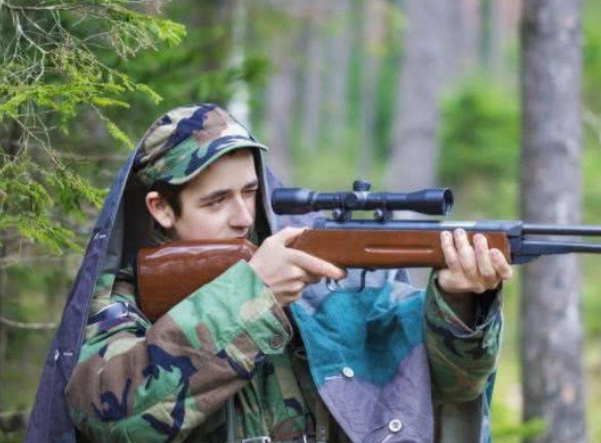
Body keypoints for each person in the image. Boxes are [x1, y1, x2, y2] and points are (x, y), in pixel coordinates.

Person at [26, 104, 512, 443]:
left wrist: (458, 303)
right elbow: (110, 417)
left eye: (249, 192)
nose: (241, 215)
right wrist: (252, 296)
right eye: (216, 200)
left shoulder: (319, 288)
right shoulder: (124, 308)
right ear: (161, 209)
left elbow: (446, 388)